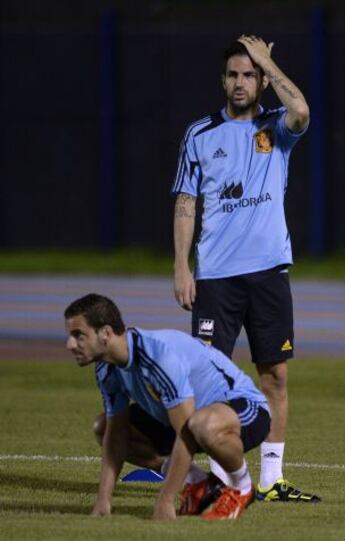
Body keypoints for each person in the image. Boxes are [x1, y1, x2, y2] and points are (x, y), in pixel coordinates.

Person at [172, 35, 320, 502]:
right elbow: (186, 201)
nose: (241, 82)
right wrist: (181, 266)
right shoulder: (199, 134)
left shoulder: (277, 128)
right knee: (211, 377)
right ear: (223, 80)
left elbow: (302, 110)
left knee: (274, 374)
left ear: (260, 80)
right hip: (215, 275)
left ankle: (273, 480)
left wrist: (268, 61)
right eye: (234, 75)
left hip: (268, 272)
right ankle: (225, 479)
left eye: (249, 74)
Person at [64, 293, 272, 520]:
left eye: (78, 335)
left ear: (105, 333)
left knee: (200, 425)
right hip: (191, 420)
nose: (70, 344)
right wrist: (103, 501)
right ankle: (200, 484)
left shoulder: (159, 357)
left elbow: (186, 434)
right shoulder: (106, 368)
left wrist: (165, 499)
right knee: (103, 427)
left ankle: (241, 488)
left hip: (244, 408)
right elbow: (116, 435)